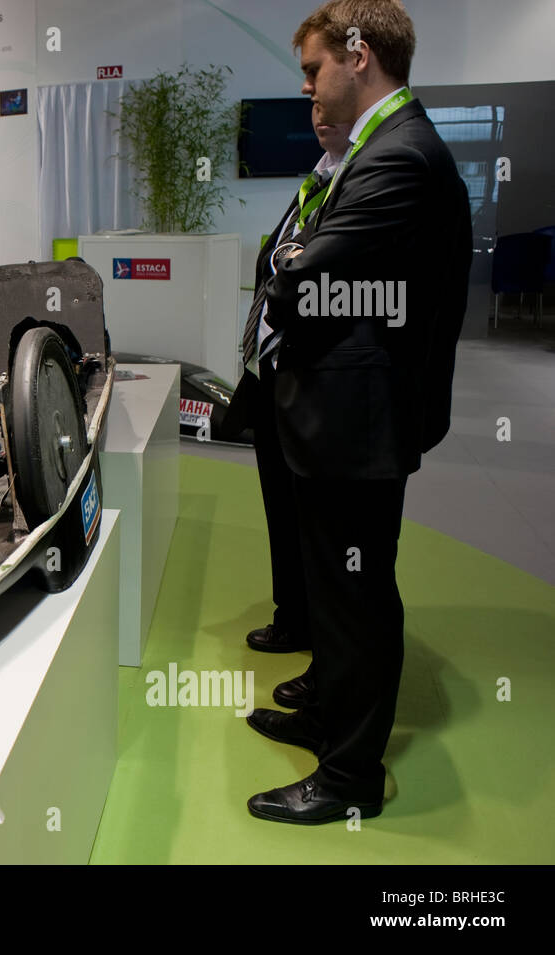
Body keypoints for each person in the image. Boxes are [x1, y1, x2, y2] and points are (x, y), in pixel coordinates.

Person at [244, 0, 472, 824]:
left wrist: (295, 270)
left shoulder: (400, 155)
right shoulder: (374, 149)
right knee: (336, 590)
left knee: (358, 594)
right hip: (336, 411)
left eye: (314, 70)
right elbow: (297, 260)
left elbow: (299, 276)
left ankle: (349, 778)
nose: (308, 88)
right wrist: (296, 265)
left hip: (358, 418)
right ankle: (328, 721)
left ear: (359, 54)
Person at [224, 105, 353, 691]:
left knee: (320, 529)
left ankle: (325, 660)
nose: (317, 113)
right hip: (273, 377)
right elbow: (282, 265)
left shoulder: (360, 184)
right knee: (282, 511)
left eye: (329, 104)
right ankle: (292, 618)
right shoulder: (317, 179)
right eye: (314, 111)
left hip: (316, 386)